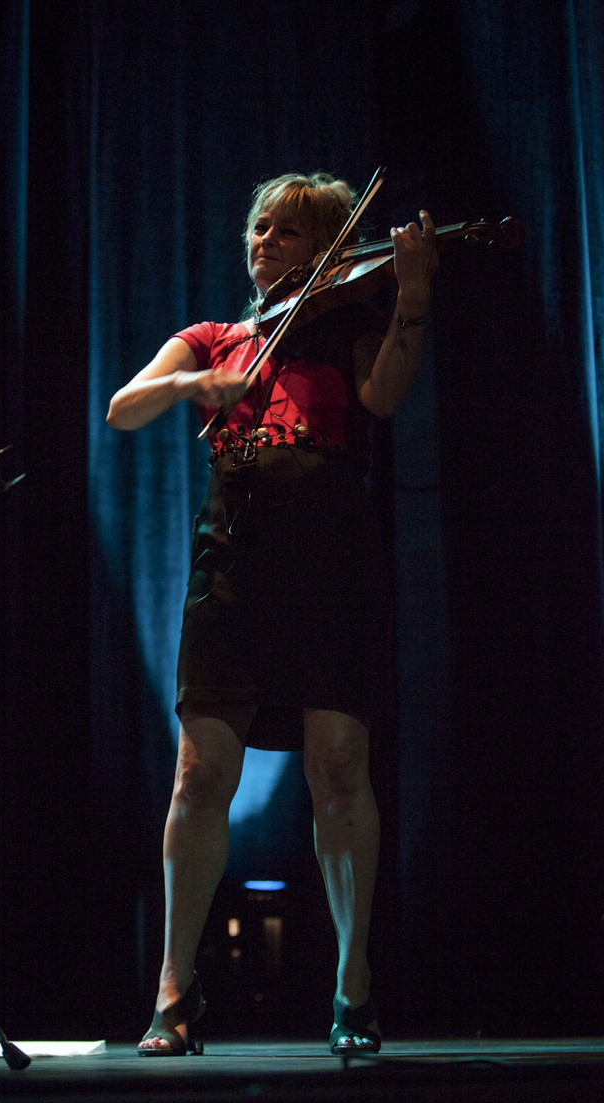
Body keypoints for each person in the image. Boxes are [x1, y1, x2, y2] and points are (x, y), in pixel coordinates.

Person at [107, 172, 437, 1055]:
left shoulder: (350, 331)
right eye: (259, 229)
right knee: (199, 775)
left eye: (288, 233)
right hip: (234, 562)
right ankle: (175, 989)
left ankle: (354, 986)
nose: (265, 244)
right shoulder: (216, 337)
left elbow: (383, 398)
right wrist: (195, 383)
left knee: (339, 764)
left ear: (327, 249)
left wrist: (411, 298)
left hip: (330, 562)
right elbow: (123, 409)